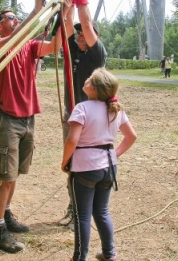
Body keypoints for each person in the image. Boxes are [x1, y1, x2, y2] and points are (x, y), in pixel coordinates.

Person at [0, 0, 73, 253]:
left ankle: (7, 214)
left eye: (16, 17)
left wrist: (65, 12)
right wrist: (37, 10)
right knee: (5, 176)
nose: (14, 20)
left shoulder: (30, 46)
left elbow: (60, 41)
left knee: (14, 175)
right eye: (10, 18)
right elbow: (11, 42)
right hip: (8, 117)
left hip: (28, 118)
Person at [61, 68, 137, 261]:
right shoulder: (115, 109)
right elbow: (131, 137)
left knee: (82, 216)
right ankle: (109, 254)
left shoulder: (82, 108)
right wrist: (114, 155)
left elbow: (72, 141)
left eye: (89, 78)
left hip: (85, 169)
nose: (86, 79)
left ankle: (79, 257)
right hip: (108, 169)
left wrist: (65, 162)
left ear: (94, 88)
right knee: (102, 212)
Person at [59, 0, 107, 229]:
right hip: (73, 115)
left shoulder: (97, 53)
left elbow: (86, 24)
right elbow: (70, 25)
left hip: (92, 121)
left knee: (88, 166)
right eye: (77, 35)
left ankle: (86, 212)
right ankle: (73, 208)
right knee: (71, 164)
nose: (79, 35)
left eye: (84, 35)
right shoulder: (73, 50)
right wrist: (67, 4)